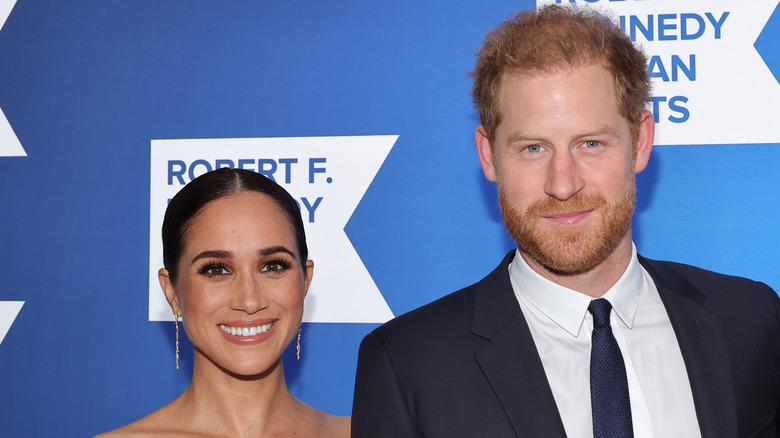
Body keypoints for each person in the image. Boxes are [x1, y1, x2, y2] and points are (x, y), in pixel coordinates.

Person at [352, 5, 780, 438]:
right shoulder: (407, 365)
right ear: (488, 155)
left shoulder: (750, 318)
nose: (562, 184)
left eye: (590, 143)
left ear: (641, 141)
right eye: (533, 148)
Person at [97, 168, 349, 437]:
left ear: (304, 281)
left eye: (272, 266)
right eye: (216, 270)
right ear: (171, 291)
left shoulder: (372, 429)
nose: (250, 301)